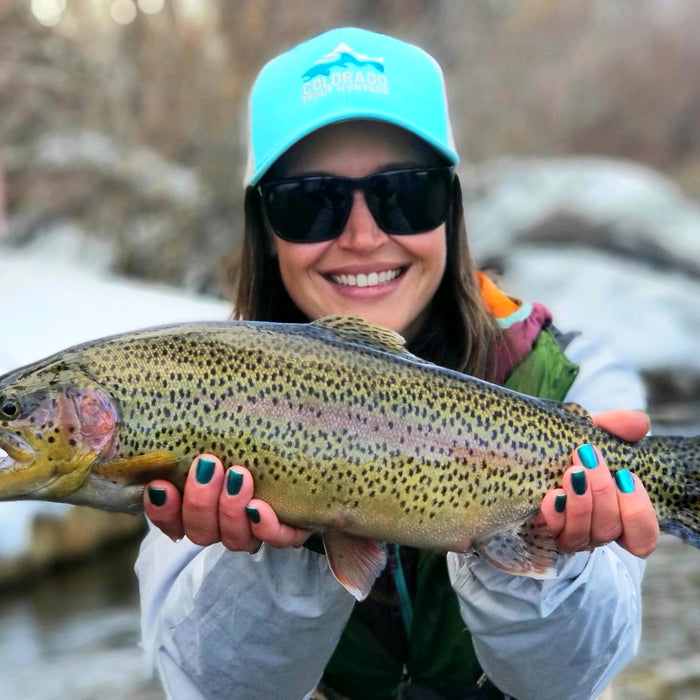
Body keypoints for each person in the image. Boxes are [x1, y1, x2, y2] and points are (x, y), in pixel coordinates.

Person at [135, 27, 659, 700]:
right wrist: (275, 559)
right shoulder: (199, 391)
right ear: (264, 231)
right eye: (310, 203)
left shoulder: (571, 376)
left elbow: (573, 679)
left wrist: (542, 555)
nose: (362, 236)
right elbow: (214, 688)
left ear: (452, 210)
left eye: (404, 194)